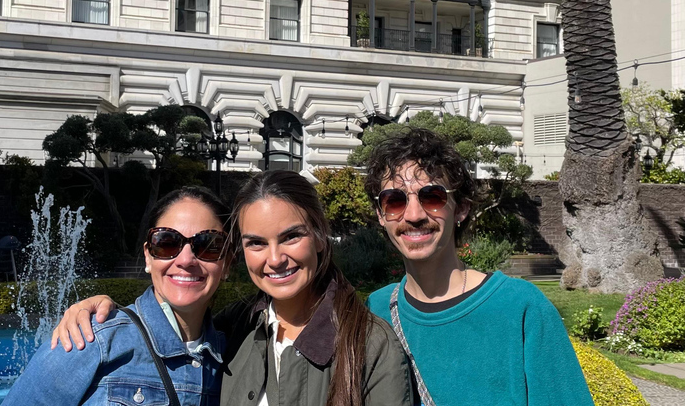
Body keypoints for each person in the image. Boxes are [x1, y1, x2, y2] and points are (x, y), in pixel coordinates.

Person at [52, 170, 413, 406]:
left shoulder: (369, 344)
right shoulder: (231, 332)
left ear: (319, 237)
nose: (274, 259)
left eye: (291, 237)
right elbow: (172, 322)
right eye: (256, 243)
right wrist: (106, 308)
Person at [363, 128, 593, 406]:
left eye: (432, 197)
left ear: (461, 208)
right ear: (380, 214)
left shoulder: (521, 308)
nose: (413, 215)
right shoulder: (376, 310)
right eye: (395, 201)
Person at [4, 187, 231, 406]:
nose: (185, 260)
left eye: (207, 245)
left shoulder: (235, 355)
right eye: (167, 242)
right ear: (148, 257)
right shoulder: (91, 339)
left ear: (227, 263)